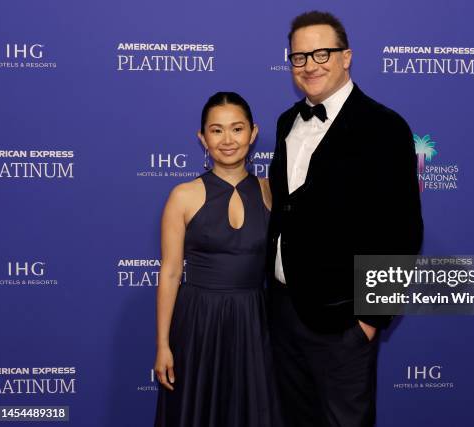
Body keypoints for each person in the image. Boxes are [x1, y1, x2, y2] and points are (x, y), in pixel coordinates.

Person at [267, 11, 424, 427]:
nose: (310, 65)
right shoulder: (287, 122)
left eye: (322, 53)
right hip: (284, 313)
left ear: (346, 56)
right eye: (299, 57)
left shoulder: (384, 127)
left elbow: (402, 231)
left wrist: (369, 321)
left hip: (342, 324)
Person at [153, 92, 280, 426]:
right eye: (217, 130)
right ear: (202, 138)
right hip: (198, 322)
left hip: (255, 320)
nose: (228, 140)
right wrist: (163, 345)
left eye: (237, 129)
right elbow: (169, 273)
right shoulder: (182, 195)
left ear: (253, 133)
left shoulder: (272, 192)